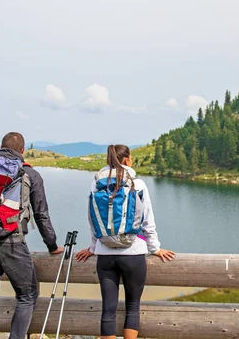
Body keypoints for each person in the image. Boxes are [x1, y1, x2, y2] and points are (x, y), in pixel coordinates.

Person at [75, 144, 175, 339]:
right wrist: (155, 248)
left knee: (108, 309)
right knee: (132, 306)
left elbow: (92, 218)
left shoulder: (96, 183)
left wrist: (94, 248)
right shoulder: (138, 184)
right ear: (128, 160)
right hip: (133, 253)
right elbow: (147, 220)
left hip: (105, 255)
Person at [0, 132, 64, 339]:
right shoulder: (29, 174)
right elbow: (41, 214)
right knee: (27, 294)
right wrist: (52, 245)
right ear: (22, 151)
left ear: (1, 148)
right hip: (12, 243)